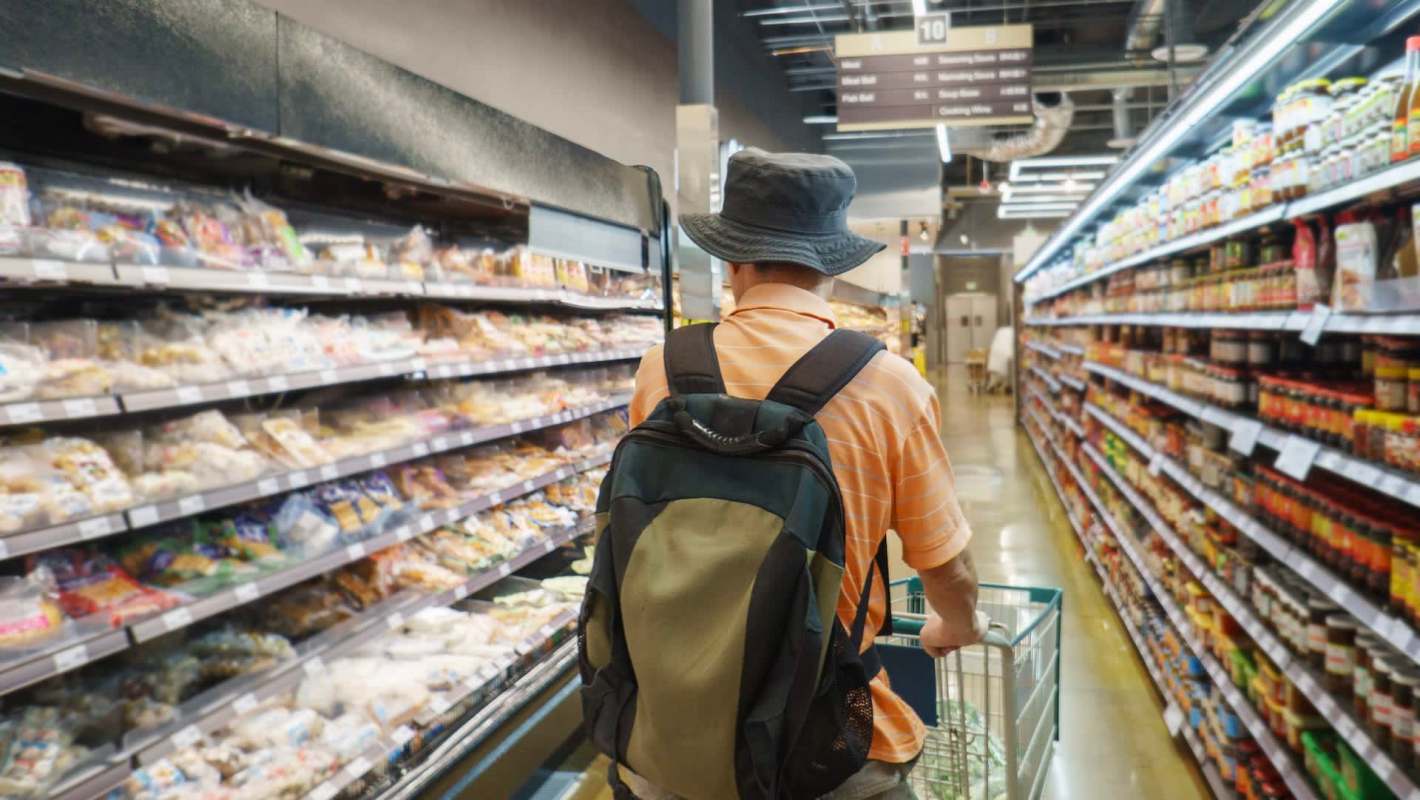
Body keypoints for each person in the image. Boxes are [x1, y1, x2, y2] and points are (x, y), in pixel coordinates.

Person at [622, 148, 985, 799]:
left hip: (672, 737)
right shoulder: (888, 384)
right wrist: (957, 625)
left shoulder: (661, 370)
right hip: (829, 744)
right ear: (830, 267)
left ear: (734, 260)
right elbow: (945, 564)